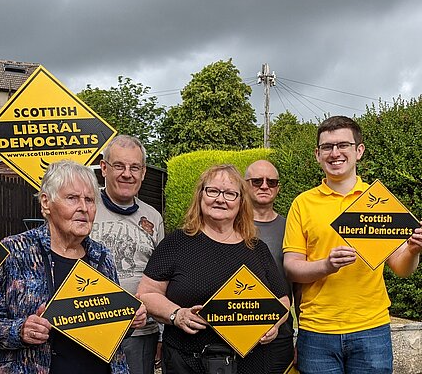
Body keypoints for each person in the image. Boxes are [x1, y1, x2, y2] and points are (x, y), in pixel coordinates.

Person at [0, 160, 147, 374]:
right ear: (46, 202)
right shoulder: (15, 251)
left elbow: (108, 329)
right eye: (72, 198)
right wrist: (21, 330)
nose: (83, 207)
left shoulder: (102, 256)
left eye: (89, 200)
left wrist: (129, 319)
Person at [283, 115, 422, 374]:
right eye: (327, 147)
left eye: (343, 145)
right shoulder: (303, 203)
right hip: (317, 330)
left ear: (359, 151)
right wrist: (326, 265)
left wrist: (413, 250)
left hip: (371, 329)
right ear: (317, 154)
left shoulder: (379, 201)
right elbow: (291, 268)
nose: (335, 153)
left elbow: (402, 269)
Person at [138, 164, 290, 374]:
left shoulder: (256, 248)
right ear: (201, 196)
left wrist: (272, 324)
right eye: (213, 191)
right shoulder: (176, 243)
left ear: (241, 202)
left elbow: (282, 299)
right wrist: (177, 314)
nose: (220, 199)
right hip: (187, 363)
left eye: (230, 194)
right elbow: (147, 293)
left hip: (249, 364)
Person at [91, 135, 165, 374]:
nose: (127, 174)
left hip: (141, 333)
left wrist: (161, 334)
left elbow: (163, 279)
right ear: (104, 168)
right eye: (119, 166)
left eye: (135, 167)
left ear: (143, 172)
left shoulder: (153, 217)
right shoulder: (86, 207)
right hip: (90, 327)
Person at [245, 160, 296, 374]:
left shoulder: (292, 228)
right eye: (257, 181)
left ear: (278, 188)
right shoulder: (226, 225)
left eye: (271, 182)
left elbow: (301, 288)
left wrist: (303, 338)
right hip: (233, 329)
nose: (264, 186)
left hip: (279, 333)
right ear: (244, 184)